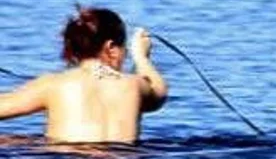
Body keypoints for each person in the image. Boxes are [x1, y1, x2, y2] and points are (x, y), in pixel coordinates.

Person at [0, 7, 168, 144]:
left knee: (15, 141)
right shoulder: (133, 85)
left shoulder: (53, 85)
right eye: (125, 50)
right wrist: (141, 57)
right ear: (111, 48)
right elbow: (159, 92)